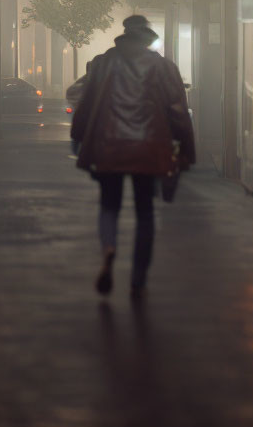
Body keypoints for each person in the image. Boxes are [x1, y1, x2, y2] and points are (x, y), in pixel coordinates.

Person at [70, 15, 195, 301]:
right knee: (145, 212)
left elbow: (86, 103)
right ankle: (138, 279)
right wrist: (185, 151)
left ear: (124, 34)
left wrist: (78, 137)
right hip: (149, 148)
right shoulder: (163, 67)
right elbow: (177, 111)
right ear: (148, 37)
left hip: (108, 145)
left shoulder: (102, 63)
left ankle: (109, 248)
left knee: (109, 204)